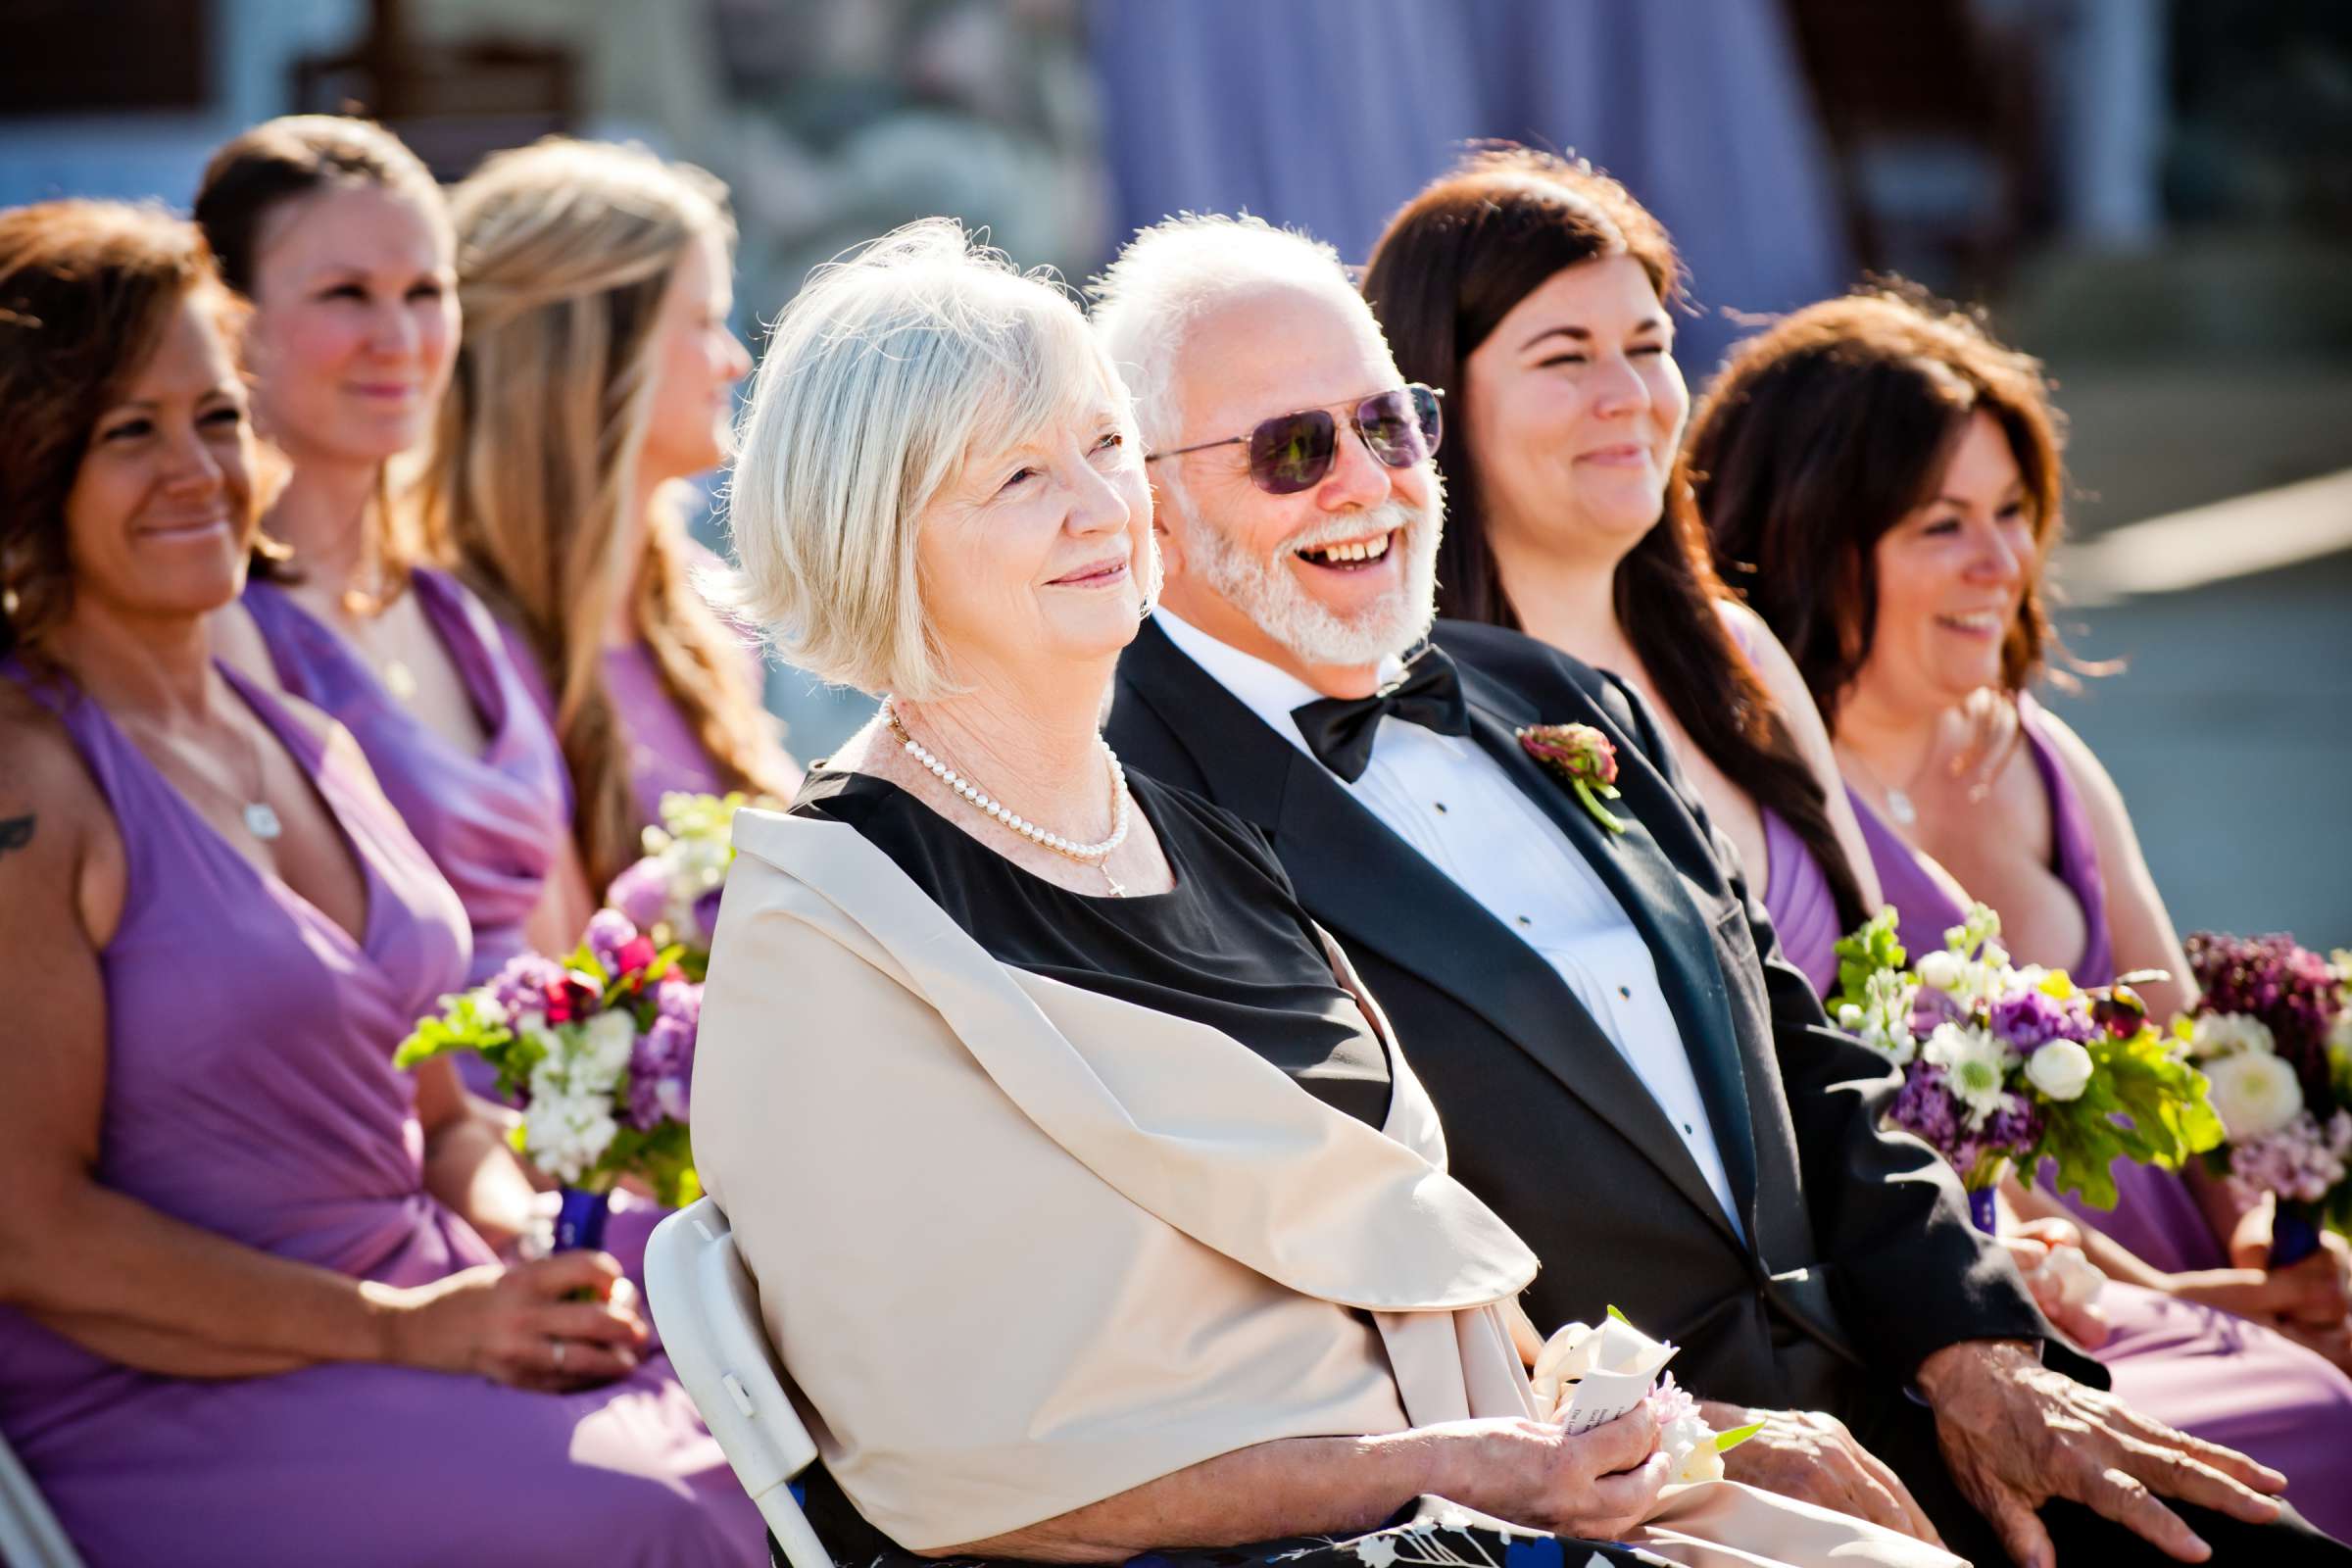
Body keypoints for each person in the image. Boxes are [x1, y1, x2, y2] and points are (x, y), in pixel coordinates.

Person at [696, 219, 1966, 1568]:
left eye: (1107, 445)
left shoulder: (1190, 833)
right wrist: (1451, 1466)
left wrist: (1661, 1431)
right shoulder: (829, 917)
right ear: (873, 539)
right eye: (1018, 474)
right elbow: (959, 1473)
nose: (1102, 506)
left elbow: (1410, 1283)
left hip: (1473, 1498)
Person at [1092, 212, 2336, 1566]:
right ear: (1145, 496)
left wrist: (1979, 1353)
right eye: (1292, 449)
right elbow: (1307, 1291)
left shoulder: (1551, 693)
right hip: (1637, 1508)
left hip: (1905, 1399)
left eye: (1388, 425)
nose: (1367, 483)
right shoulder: (1124, 808)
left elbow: (1811, 1054)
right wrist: (1708, 1445)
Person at [0, 201, 762, 1565]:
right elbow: (34, 1237)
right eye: (130, 431)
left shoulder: (302, 732)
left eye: (219, 417)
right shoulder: (31, 781)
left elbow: (437, 1122)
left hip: (422, 1310)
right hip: (168, 1390)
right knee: (646, 1519)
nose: (196, 470)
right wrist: (410, 1331)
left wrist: (521, 1238)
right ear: (27, 461)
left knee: (785, 1432)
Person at [1689, 285, 2352, 1538]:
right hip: (1997, 1306)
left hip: (2201, 1279)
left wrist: (2274, 1247)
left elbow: (2201, 1060)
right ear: (1815, 533)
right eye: (1943, 525)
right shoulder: (1761, 806)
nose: (2000, 564)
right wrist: (2203, 1304)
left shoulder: (2043, 757)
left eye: (2010, 515)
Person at [1357, 146, 1877, 996]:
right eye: (1566, 357)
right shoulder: (1395, 721)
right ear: (1433, 399)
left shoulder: (1738, 651)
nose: (1629, 394)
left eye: (1649, 345)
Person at [195, 115, 587, 986]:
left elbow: (564, 937)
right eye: (345, 294)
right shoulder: (218, 633)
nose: (400, 339)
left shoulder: (463, 614)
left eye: (424, 292)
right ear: (231, 322)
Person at [415, 136, 798, 895]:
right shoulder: (443, 639)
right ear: (586, 353)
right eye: (702, 321)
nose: (735, 361)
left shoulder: (703, 602)